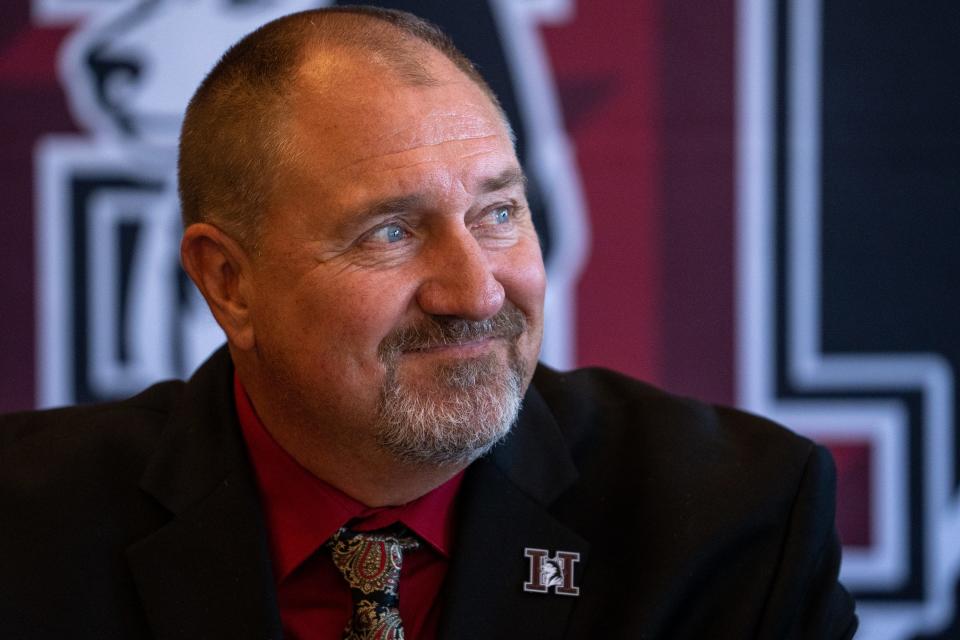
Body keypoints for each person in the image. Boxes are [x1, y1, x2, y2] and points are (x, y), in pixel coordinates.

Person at [1, 7, 856, 639]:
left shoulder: (735, 525)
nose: (476, 294)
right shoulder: (25, 533)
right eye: (391, 232)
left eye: (499, 214)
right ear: (230, 282)